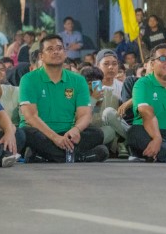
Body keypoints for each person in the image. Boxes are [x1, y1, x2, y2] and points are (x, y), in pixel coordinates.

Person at [20, 34, 108, 163]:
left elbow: (85, 115)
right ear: (41, 56)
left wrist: (76, 130)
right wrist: (55, 138)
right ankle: (78, 157)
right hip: (41, 132)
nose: (56, 52)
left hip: (68, 132)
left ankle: (44, 156)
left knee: (97, 134)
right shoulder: (28, 79)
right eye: (50, 49)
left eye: (59, 48)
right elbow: (30, 117)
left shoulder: (78, 80)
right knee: (25, 133)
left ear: (65, 53)